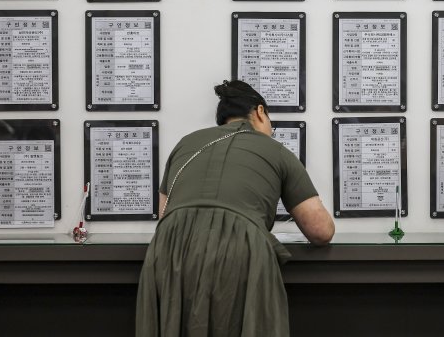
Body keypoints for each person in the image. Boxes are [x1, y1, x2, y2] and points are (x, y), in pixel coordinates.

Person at [136, 80, 335, 337]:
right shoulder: (276, 151)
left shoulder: (185, 144)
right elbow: (321, 230)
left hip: (170, 248)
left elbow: (164, 214)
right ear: (260, 112)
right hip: (238, 247)